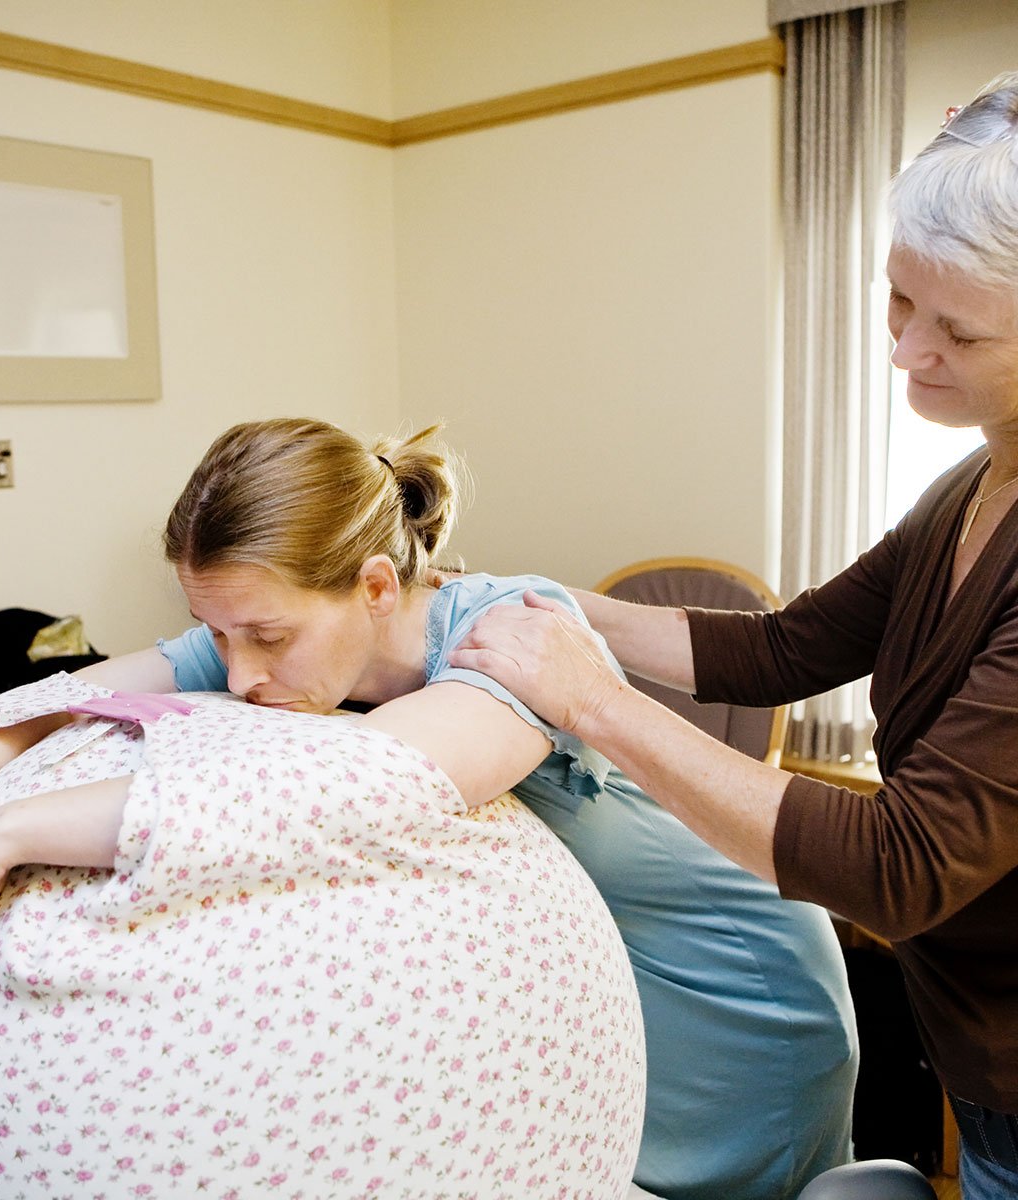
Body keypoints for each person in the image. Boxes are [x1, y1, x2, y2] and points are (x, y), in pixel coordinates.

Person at [0, 418, 854, 1200]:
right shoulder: (266, 649)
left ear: (374, 585)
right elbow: (27, 712)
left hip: (726, 985)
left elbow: (357, 780)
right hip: (582, 995)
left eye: (265, 636)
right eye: (212, 633)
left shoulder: (507, 633)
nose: (236, 675)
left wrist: (2, 838)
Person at [448, 74, 1018, 1200]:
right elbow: (786, 646)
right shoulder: (973, 482)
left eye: (955, 329)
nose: (906, 353)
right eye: (897, 303)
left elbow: (897, 867)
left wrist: (593, 700)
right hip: (969, 1032)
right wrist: (549, 600)